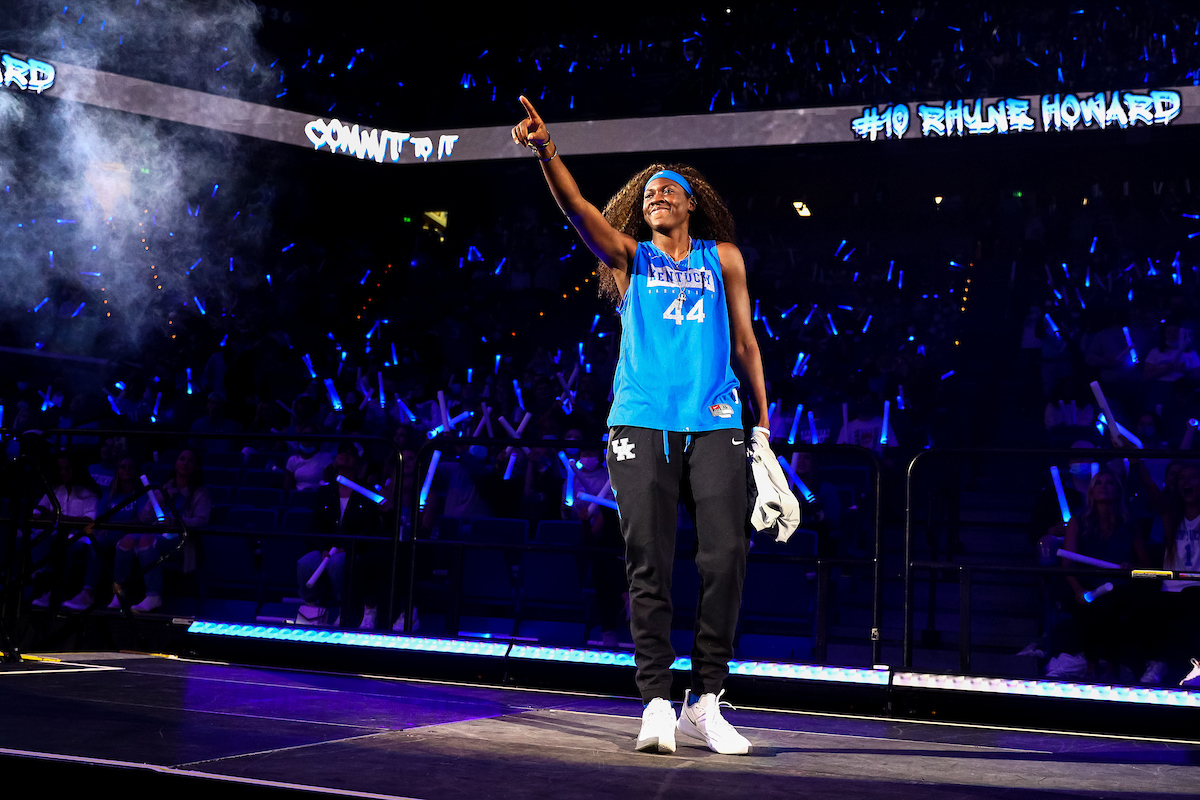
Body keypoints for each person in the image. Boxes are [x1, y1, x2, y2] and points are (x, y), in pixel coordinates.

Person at [513, 96, 768, 755]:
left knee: (727, 557)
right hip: (640, 421)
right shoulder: (631, 259)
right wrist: (546, 150)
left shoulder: (725, 259)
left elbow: (745, 345)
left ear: (689, 205)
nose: (656, 194)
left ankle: (704, 702)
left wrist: (763, 431)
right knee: (648, 561)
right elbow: (577, 211)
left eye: (668, 190)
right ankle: (656, 700)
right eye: (650, 191)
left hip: (715, 421)